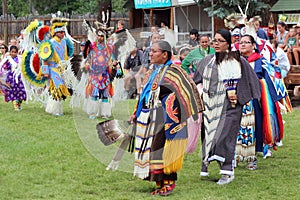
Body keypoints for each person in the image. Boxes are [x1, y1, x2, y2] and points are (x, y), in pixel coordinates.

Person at [131, 41, 203, 196]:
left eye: (154, 51)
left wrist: (173, 111)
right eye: (151, 51)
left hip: (169, 117)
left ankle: (169, 182)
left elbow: (187, 91)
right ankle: (159, 182)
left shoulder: (174, 71)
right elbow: (146, 93)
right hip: (152, 116)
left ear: (165, 54)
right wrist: (137, 111)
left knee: (164, 149)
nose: (150, 53)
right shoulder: (153, 71)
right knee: (154, 148)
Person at [193, 29, 261, 185]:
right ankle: (221, 167)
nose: (216, 43)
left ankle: (228, 172)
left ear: (228, 43)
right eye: (214, 40)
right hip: (210, 109)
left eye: (220, 41)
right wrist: (199, 90)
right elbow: (195, 80)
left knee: (225, 138)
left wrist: (238, 95)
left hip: (230, 107)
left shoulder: (238, 61)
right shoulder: (207, 61)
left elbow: (252, 82)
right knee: (212, 139)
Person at [39, 17, 74, 116]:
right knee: (57, 87)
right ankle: (55, 110)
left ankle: (53, 108)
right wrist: (45, 71)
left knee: (61, 88)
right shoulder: (50, 43)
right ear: (55, 32)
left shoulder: (64, 42)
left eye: (64, 32)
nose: (63, 34)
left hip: (62, 68)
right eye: (61, 32)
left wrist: (67, 66)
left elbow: (66, 56)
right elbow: (44, 58)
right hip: (52, 67)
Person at [82, 27, 117, 119]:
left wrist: (113, 63)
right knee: (94, 93)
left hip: (105, 73)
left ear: (105, 37)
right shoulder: (92, 46)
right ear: (96, 36)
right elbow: (88, 58)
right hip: (95, 73)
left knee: (105, 94)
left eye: (102, 36)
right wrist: (88, 64)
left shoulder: (108, 48)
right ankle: (93, 113)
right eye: (99, 36)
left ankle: (104, 113)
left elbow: (112, 58)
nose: (100, 38)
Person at [0, 45, 27, 110]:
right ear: (10, 52)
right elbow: (3, 68)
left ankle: (19, 104)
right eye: (12, 52)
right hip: (11, 78)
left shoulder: (20, 59)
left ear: (17, 52)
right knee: (13, 91)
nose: (13, 53)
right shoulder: (7, 59)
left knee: (21, 91)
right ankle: (16, 106)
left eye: (15, 52)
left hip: (20, 78)